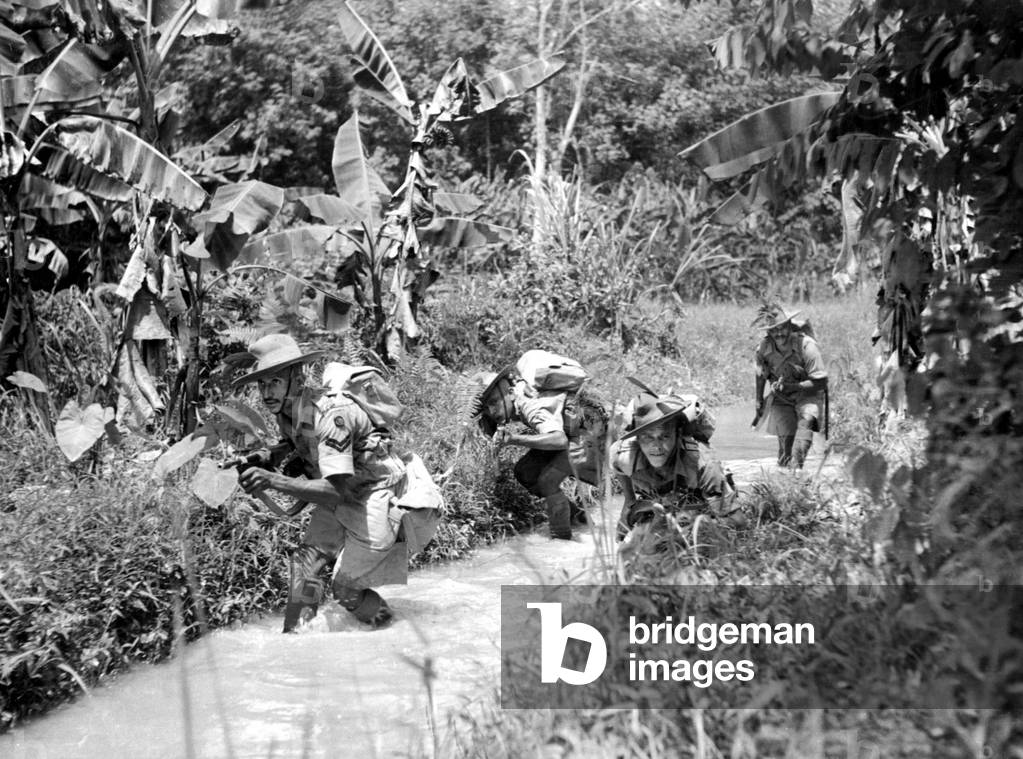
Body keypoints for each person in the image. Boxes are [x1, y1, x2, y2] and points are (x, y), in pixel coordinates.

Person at [232, 333, 409, 633]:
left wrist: (271, 479)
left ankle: (394, 632)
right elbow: (292, 441)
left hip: (372, 494)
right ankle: (297, 638)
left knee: (346, 591)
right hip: (342, 493)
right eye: (262, 384)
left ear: (297, 378)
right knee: (306, 563)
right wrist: (267, 456)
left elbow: (336, 491)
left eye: (274, 382)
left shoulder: (331, 415)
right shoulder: (287, 411)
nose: (266, 392)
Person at [470, 363, 595, 540]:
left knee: (547, 481)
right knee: (526, 471)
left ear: (511, 393)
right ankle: (580, 519)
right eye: (485, 408)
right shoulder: (510, 401)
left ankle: (561, 540)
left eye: (494, 402)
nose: (491, 411)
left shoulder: (530, 406)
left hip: (588, 437)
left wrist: (513, 439)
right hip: (572, 432)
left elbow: (559, 440)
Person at [611, 390, 742, 541]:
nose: (656, 446)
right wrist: (629, 503)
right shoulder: (621, 456)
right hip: (655, 501)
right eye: (647, 437)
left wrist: (692, 531)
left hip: (699, 501)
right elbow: (619, 474)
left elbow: (738, 522)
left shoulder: (703, 464)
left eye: (664, 436)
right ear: (638, 439)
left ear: (677, 435)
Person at [753, 305, 829, 468]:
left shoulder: (806, 346)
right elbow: (760, 374)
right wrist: (758, 400)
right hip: (781, 397)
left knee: (806, 423)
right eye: (774, 330)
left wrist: (793, 387)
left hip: (809, 394)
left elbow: (821, 381)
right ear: (769, 333)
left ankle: (796, 471)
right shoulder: (763, 348)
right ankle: (784, 479)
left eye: (782, 328)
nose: (779, 333)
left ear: (789, 326)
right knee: (785, 445)